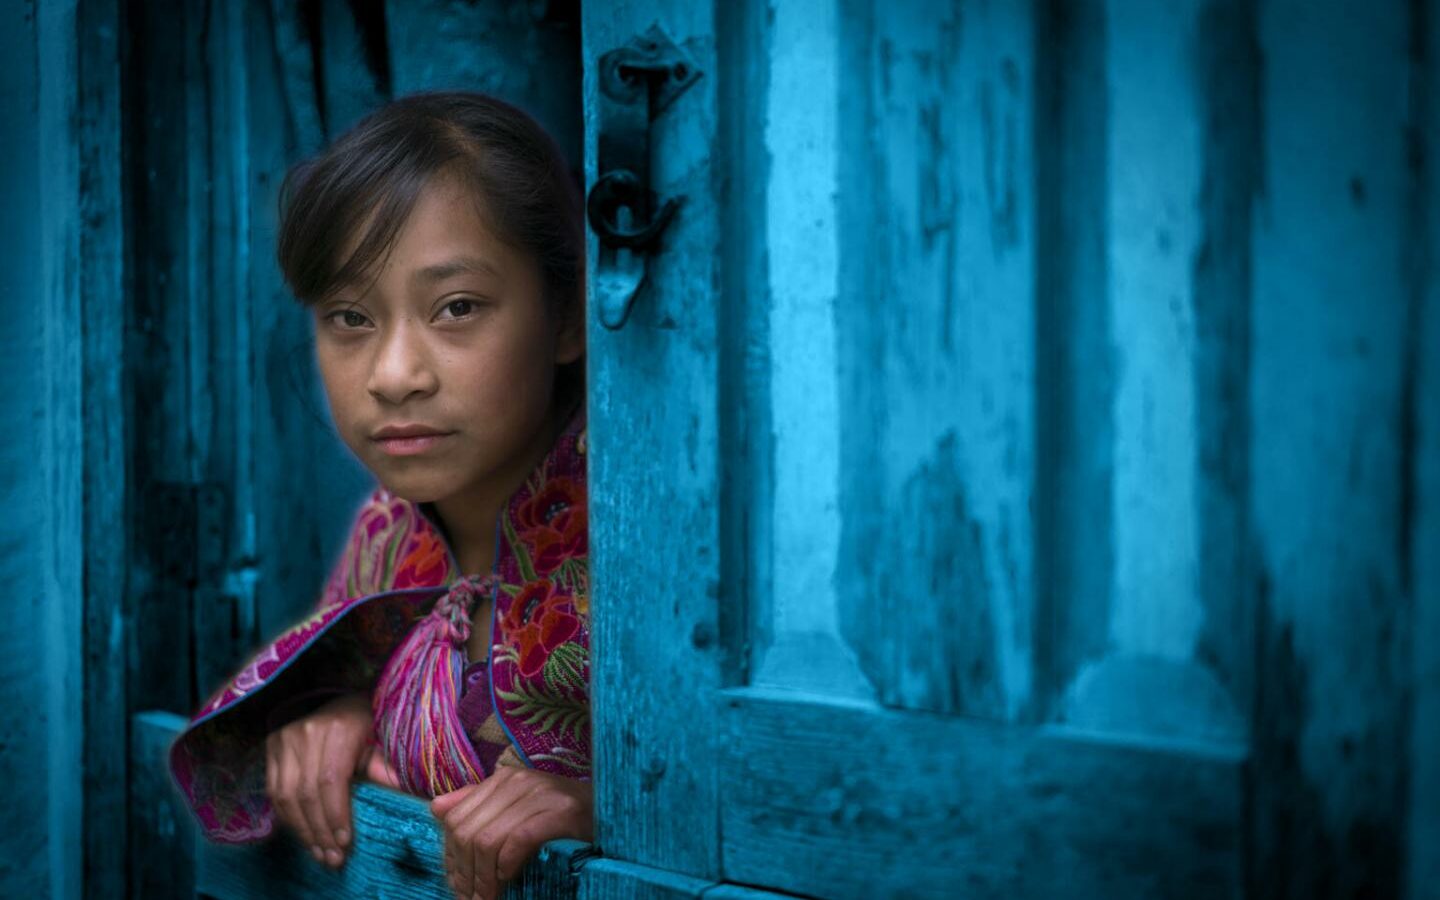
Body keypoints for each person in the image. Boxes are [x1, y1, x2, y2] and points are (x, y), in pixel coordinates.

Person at [167, 91, 593, 900]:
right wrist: (342, 708)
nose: (395, 376)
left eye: (457, 307)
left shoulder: (646, 546)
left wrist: (613, 808)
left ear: (568, 315)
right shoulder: (387, 532)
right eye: (350, 317)